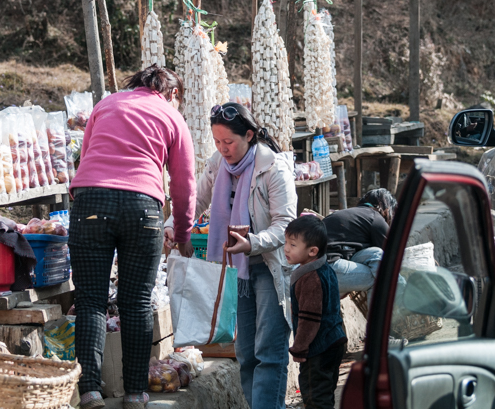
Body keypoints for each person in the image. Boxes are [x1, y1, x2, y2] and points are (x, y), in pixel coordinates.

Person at [69, 65, 197, 409]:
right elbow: (184, 184)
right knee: (136, 302)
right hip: (143, 206)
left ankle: (91, 392)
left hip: (90, 200)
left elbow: (86, 156)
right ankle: (136, 393)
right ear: (172, 94)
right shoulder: (171, 117)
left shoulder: (107, 104)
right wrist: (183, 232)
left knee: (91, 301)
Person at [164, 102, 297, 409]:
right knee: (247, 352)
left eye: (229, 142)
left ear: (249, 135)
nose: (223, 149)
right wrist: (174, 226)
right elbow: (195, 201)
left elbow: (286, 225)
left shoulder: (272, 168)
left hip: (268, 266)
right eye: (218, 142)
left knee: (269, 350)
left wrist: (252, 242)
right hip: (236, 270)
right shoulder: (218, 165)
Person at [284, 215, 347, 409]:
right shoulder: (324, 269)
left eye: (293, 245)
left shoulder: (310, 278)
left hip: (319, 347)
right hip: (334, 339)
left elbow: (309, 319)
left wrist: (299, 348)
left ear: (312, 251)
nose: (286, 248)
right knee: (325, 393)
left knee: (315, 397)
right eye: (286, 242)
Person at [323, 188, 397, 298]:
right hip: (327, 270)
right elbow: (393, 254)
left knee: (376, 253)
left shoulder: (354, 215)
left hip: (315, 268)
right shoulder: (375, 219)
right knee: (381, 279)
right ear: (386, 210)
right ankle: (381, 313)